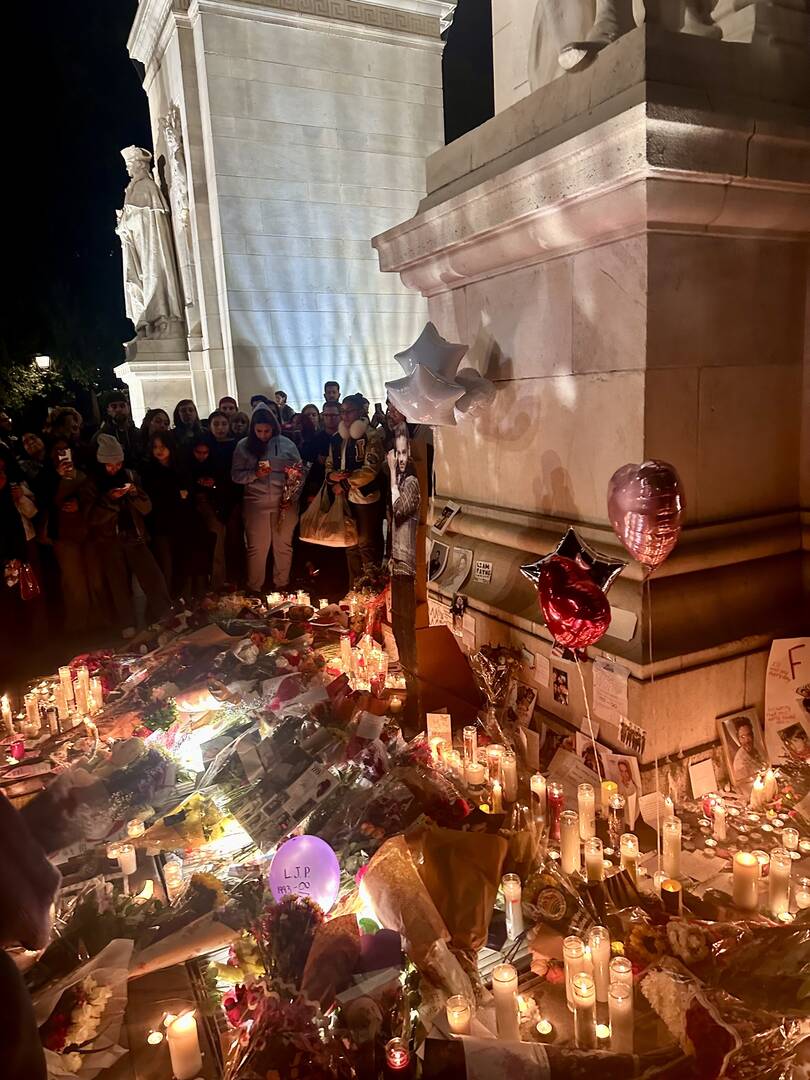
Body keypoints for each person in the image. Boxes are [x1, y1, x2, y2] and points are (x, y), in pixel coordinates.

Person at [87, 434, 170, 636]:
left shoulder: (130, 476)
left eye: (118, 463)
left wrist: (134, 494)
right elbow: (92, 518)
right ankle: (127, 625)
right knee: (118, 583)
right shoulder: (92, 483)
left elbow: (146, 508)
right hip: (109, 539)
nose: (114, 468)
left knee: (153, 577)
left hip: (135, 536)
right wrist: (110, 500)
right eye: (109, 464)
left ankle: (166, 618)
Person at [232, 404, 300, 594]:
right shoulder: (243, 446)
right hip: (256, 503)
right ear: (253, 429)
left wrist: (290, 480)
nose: (263, 435)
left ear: (274, 427)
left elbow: (299, 471)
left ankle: (282, 585)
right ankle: (255, 587)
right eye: (259, 431)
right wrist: (254, 474)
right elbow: (236, 475)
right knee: (257, 547)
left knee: (283, 545)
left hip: (285, 504)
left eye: (267, 431)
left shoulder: (286, 444)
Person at [326, 394, 384, 585]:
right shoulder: (337, 438)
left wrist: (343, 483)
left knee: (367, 543)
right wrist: (331, 477)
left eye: (348, 411)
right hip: (343, 496)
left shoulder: (371, 436)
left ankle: (371, 588)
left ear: (360, 412)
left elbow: (370, 470)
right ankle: (355, 587)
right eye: (342, 412)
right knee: (350, 543)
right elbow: (329, 464)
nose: (345, 415)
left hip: (365, 497)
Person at [41, 440, 97, 634]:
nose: (62, 453)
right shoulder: (46, 475)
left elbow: (93, 495)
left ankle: (98, 621)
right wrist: (58, 479)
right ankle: (77, 626)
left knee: (94, 577)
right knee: (74, 581)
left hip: (86, 531)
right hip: (63, 535)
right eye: (58, 450)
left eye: (66, 449)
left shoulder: (83, 471)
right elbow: (43, 501)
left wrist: (79, 504)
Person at [141, 432, 197, 598]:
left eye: (163, 447)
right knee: (165, 563)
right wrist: (177, 494)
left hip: (181, 521)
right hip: (160, 523)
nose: (159, 451)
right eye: (155, 447)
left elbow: (188, 492)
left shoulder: (180, 467)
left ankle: (182, 597)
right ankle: (165, 600)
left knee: (182, 560)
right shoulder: (149, 470)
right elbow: (155, 496)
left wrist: (180, 495)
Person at [207, 410, 243, 585]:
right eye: (216, 424)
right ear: (210, 426)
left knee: (234, 541)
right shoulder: (206, 446)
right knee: (216, 543)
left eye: (223, 424)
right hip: (212, 499)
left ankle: (236, 579)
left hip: (233, 498)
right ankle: (218, 582)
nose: (220, 428)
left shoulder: (236, 445)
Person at [189, 435, 227, 589]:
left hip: (214, 507)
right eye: (198, 452)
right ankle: (198, 587)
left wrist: (213, 484)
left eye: (205, 452)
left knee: (218, 546)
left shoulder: (217, 464)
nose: (202, 456)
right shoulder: (186, 465)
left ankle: (217, 584)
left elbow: (224, 484)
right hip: (192, 508)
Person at [95, 393, 140, 467]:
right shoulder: (101, 437)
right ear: (108, 410)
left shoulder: (138, 434)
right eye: (114, 406)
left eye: (122, 406)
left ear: (128, 407)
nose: (118, 409)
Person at [731, 718, 765, 796]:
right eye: (742, 737)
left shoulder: (758, 748)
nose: (747, 740)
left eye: (748, 735)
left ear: (753, 735)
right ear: (738, 739)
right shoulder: (739, 762)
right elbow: (748, 790)